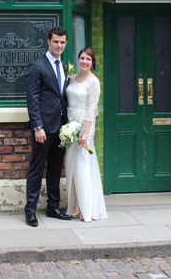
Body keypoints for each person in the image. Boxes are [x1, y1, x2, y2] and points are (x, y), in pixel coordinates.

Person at [24, 26, 73, 227]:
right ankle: (30, 211)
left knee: (55, 170)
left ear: (65, 43)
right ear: (48, 42)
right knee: (36, 169)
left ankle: (53, 208)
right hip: (43, 128)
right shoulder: (37, 66)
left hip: (61, 127)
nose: (59, 45)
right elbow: (32, 98)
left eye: (62, 42)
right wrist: (37, 127)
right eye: (56, 42)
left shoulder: (63, 66)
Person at [64, 47, 108, 222]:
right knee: (71, 165)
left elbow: (91, 109)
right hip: (69, 124)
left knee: (83, 166)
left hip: (84, 125)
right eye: (82, 58)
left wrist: (86, 133)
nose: (84, 61)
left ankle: (85, 207)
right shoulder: (72, 78)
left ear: (93, 62)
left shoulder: (94, 82)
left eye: (88, 59)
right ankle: (75, 204)